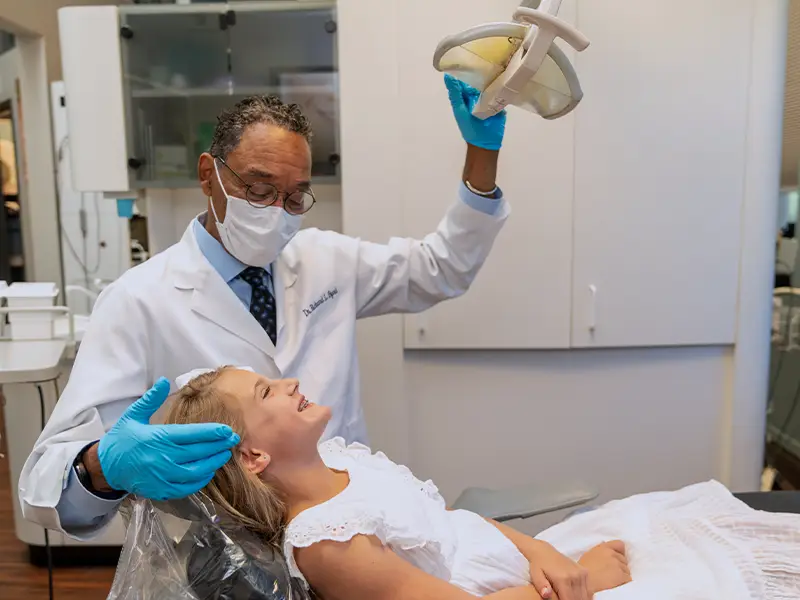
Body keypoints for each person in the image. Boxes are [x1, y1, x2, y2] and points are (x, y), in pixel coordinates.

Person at [19, 76, 511, 538]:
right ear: (208, 175)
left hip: (350, 533)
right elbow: (43, 482)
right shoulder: (138, 300)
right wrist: (102, 466)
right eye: (258, 190)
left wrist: (482, 155)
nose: (276, 211)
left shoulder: (326, 260)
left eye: (295, 198)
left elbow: (440, 269)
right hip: (220, 556)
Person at [163, 367, 800, 600]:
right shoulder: (329, 542)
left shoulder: (342, 460)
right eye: (267, 393)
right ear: (252, 456)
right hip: (517, 595)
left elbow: (452, 522)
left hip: (529, 569)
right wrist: (584, 581)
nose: (291, 383)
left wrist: (543, 550)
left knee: (683, 527)